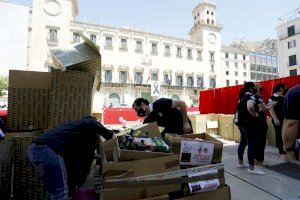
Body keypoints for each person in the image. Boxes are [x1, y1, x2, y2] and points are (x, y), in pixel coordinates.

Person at [26, 116, 114, 199]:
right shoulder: (88, 124)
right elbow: (92, 123)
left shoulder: (72, 132)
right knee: (61, 193)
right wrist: (109, 135)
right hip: (47, 151)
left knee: (53, 192)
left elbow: (72, 164)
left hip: (33, 151)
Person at [236, 82, 265, 175]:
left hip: (240, 123)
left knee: (243, 142)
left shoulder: (242, 96)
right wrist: (255, 114)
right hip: (248, 124)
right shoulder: (250, 97)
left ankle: (240, 163)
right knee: (251, 143)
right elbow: (250, 107)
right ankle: (251, 168)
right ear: (252, 89)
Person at [269, 83, 288, 160]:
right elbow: (271, 108)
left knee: (285, 134)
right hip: (278, 119)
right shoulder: (274, 96)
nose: (287, 88)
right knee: (279, 134)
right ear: (280, 88)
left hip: (286, 119)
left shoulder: (285, 95)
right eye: (285, 87)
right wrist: (275, 119)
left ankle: (286, 149)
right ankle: (281, 151)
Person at [282, 84, 300, 160]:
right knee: (291, 122)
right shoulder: (294, 92)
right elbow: (290, 124)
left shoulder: (293, 91)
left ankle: (290, 154)